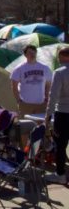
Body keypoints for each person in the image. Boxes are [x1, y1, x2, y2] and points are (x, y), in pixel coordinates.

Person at [45, 48, 69, 183]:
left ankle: (60, 174)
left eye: (59, 57)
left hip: (64, 114)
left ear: (65, 56)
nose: (58, 60)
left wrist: (48, 115)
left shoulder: (60, 72)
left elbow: (53, 95)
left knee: (60, 145)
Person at [10, 45, 52, 117]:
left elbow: (48, 85)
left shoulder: (45, 68)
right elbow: (14, 86)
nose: (32, 54)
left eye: (34, 52)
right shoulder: (19, 68)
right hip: (25, 104)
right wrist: (19, 100)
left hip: (41, 104)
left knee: (41, 126)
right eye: (30, 53)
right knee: (25, 125)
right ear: (25, 55)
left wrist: (47, 98)